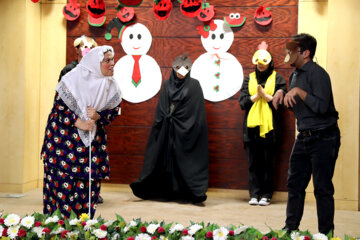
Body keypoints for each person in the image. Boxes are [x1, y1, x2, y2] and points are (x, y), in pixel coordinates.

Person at [41, 46, 121, 218]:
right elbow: (59, 109)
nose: (112, 63)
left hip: (91, 143)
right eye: (107, 60)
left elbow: (114, 110)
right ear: (95, 63)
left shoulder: (110, 85)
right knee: (64, 186)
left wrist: (99, 116)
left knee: (88, 185)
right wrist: (80, 123)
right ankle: (59, 228)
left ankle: (84, 225)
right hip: (63, 142)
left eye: (112, 60)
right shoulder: (72, 80)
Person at [273, 33, 340, 235]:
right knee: (294, 184)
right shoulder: (295, 75)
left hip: (324, 137)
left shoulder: (318, 74)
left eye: (292, 51)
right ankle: (290, 228)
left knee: (322, 188)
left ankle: (325, 234)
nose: (288, 54)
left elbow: (321, 107)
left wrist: (300, 92)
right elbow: (298, 108)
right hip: (304, 136)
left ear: (305, 53)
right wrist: (283, 94)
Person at [130, 53, 209, 204]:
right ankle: (167, 191)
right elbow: (161, 107)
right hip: (167, 129)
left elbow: (196, 110)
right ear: (173, 68)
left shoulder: (194, 85)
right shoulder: (167, 84)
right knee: (165, 159)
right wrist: (166, 120)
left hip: (186, 131)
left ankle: (188, 192)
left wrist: (182, 123)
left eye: (185, 68)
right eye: (178, 68)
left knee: (184, 161)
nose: (181, 71)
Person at [239, 41, 287, 206]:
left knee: (267, 163)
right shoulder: (249, 79)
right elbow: (242, 102)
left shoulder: (278, 79)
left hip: (270, 128)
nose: (260, 66)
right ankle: (254, 194)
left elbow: (281, 103)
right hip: (251, 128)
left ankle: (266, 195)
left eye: (263, 63)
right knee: (253, 163)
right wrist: (256, 96)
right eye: (258, 63)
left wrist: (266, 96)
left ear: (269, 63)